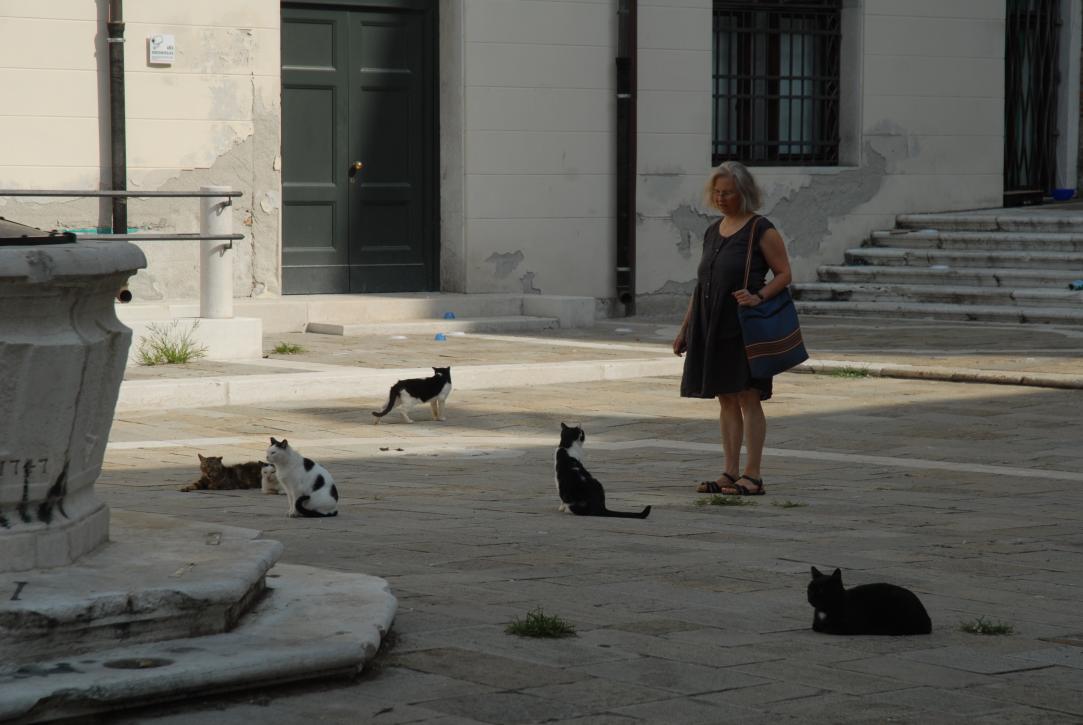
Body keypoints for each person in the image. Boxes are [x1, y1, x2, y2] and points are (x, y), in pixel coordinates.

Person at [673, 161, 794, 496]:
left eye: (727, 192)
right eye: (717, 192)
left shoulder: (761, 229)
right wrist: (685, 328)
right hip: (711, 323)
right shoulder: (713, 230)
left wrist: (758, 297)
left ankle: (753, 475)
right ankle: (729, 471)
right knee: (725, 397)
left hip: (743, 324)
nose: (721, 198)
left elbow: (784, 273)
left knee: (748, 396)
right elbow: (702, 284)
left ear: (744, 193)